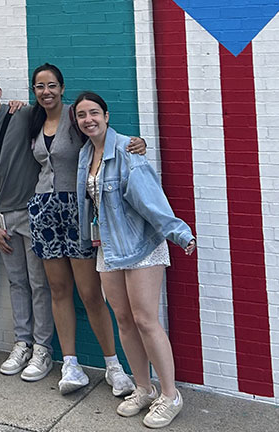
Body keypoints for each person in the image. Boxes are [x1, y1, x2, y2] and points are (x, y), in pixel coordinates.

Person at [74, 91, 195, 429]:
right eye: (82, 115)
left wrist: (179, 232)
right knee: (124, 320)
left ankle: (170, 395)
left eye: (94, 112)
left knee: (145, 320)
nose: (88, 120)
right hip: (108, 248)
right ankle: (143, 387)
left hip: (141, 246)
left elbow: (150, 198)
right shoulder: (85, 156)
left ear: (107, 115)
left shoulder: (128, 150)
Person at [26, 63, 143, 396]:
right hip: (44, 211)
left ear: (62, 88)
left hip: (77, 210)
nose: (45, 92)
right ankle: (71, 365)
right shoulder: (33, 120)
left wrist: (137, 144)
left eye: (51, 86)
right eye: (39, 87)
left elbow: (105, 137)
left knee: (91, 293)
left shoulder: (74, 117)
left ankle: (114, 367)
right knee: (59, 289)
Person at [0, 70, 55, 382]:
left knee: (39, 282)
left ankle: (43, 349)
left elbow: (63, 118)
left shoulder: (23, 114)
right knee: (17, 282)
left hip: (34, 212)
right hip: (6, 217)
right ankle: (22, 342)